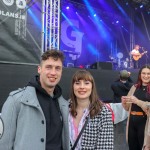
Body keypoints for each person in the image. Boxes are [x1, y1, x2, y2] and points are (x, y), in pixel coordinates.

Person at [0, 50, 69, 150]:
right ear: (39, 69)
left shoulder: (64, 105)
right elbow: (3, 144)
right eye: (48, 67)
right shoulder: (15, 100)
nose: (53, 72)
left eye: (57, 68)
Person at [69, 69, 114, 150]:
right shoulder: (65, 109)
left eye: (86, 83)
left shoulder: (103, 112)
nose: (82, 87)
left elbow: (105, 147)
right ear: (73, 86)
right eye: (77, 83)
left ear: (92, 86)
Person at [121, 65, 150, 150]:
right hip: (132, 122)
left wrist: (137, 101)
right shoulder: (134, 87)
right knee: (132, 146)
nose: (146, 76)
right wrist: (124, 102)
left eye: (148, 74)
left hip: (145, 123)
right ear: (140, 75)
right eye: (143, 73)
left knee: (144, 146)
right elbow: (127, 108)